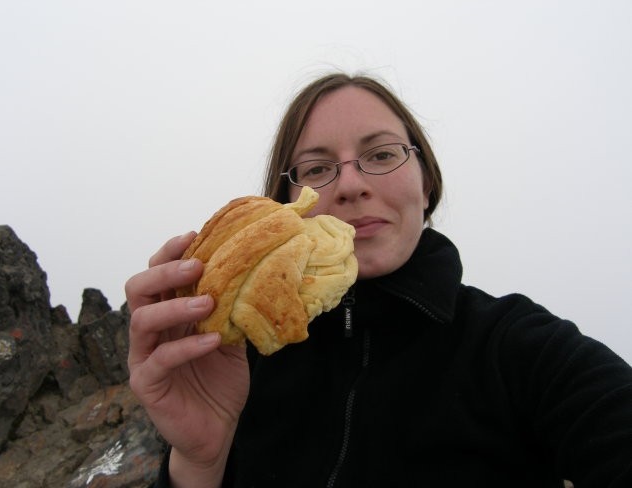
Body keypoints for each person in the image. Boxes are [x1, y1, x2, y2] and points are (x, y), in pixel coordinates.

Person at [126, 73, 632, 488]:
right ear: (285, 204)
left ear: (425, 180)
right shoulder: (235, 364)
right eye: (318, 168)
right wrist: (197, 465)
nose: (350, 184)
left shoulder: (521, 349)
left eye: (383, 154)